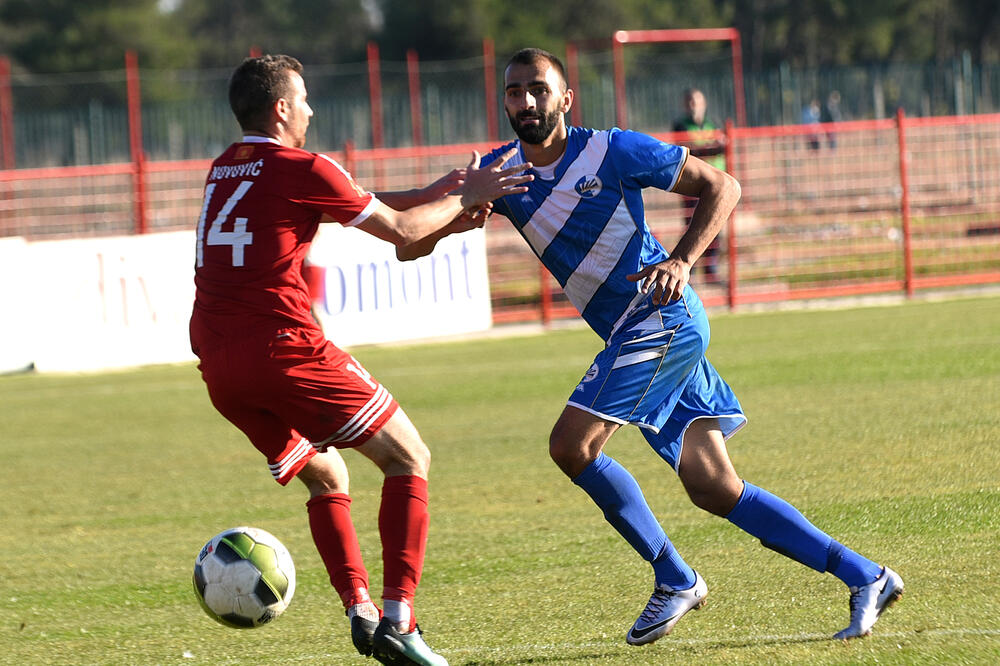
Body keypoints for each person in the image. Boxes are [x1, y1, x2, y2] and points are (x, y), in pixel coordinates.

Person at [403, 47, 903, 647]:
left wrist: (683, 260)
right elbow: (409, 236)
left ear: (566, 99)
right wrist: (459, 208)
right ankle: (865, 575)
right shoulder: (500, 171)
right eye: (514, 92)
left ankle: (675, 577)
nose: (526, 101)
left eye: (538, 89)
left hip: (662, 317)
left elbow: (723, 185)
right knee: (713, 486)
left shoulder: (611, 149)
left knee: (571, 445)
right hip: (634, 332)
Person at [190, 54, 531, 666]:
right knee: (409, 458)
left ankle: (361, 608)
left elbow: (374, 205)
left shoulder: (224, 170)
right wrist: (468, 197)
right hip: (282, 348)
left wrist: (445, 194)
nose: (313, 110)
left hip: (217, 362)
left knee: (328, 475)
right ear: (282, 108)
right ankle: (401, 617)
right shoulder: (303, 165)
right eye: (305, 99)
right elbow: (401, 230)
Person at [672, 88, 726, 284]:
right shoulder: (680, 126)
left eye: (697, 101)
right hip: (693, 186)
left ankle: (711, 270)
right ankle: (687, 270)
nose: (694, 105)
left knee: (715, 227)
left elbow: (722, 146)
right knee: (692, 226)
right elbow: (688, 151)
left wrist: (713, 148)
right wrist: (712, 148)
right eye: (690, 102)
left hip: (715, 184)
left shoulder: (713, 123)